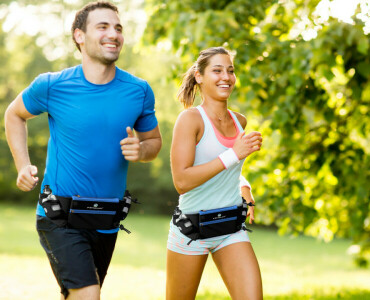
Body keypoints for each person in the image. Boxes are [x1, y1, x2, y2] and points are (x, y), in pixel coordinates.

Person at [4, 2, 162, 299]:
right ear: (79, 36)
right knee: (88, 293)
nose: (113, 34)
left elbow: (154, 142)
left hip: (107, 220)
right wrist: (23, 165)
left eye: (118, 28)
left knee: (76, 295)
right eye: (102, 26)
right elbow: (14, 114)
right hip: (59, 216)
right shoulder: (52, 85)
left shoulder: (138, 90)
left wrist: (141, 150)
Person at [167, 47, 263, 300]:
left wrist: (244, 185)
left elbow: (223, 167)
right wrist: (235, 153)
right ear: (199, 76)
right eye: (217, 70)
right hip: (191, 230)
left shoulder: (239, 121)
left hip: (230, 227)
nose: (226, 77)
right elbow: (182, 181)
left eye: (230, 71)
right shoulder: (190, 120)